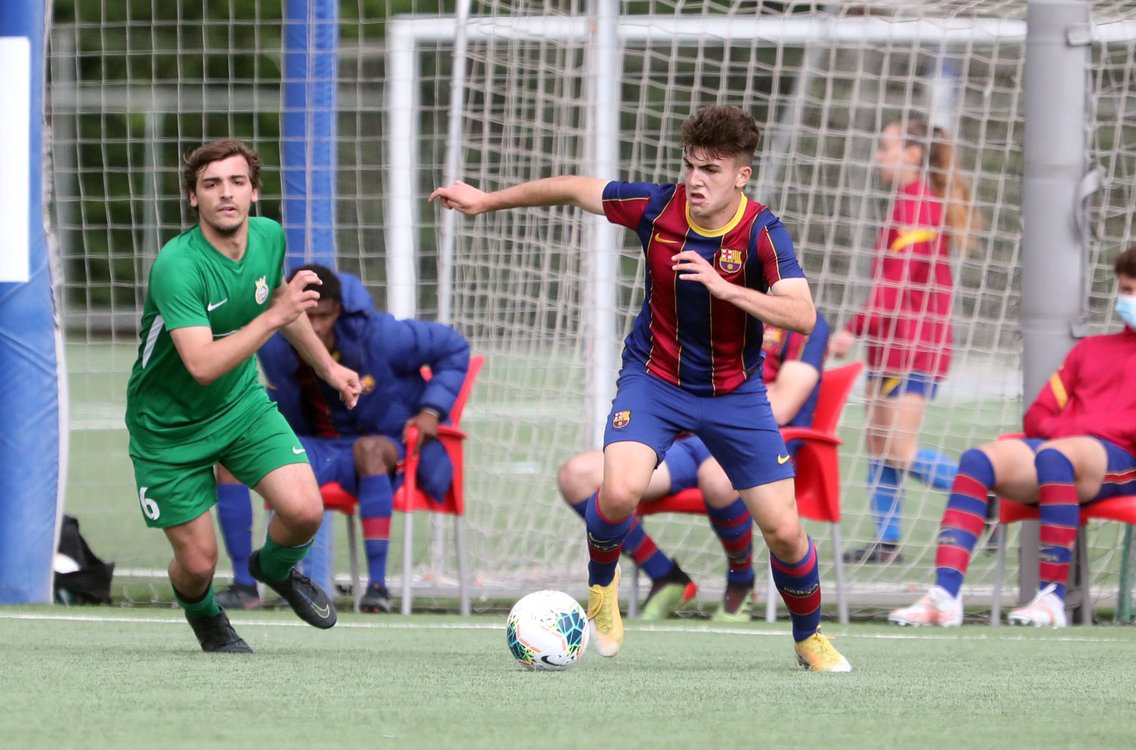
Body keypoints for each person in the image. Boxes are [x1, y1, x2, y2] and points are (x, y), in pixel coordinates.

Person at [431, 104, 851, 671]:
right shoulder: (657, 207)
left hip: (735, 394)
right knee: (619, 490)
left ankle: (808, 637)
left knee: (784, 531)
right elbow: (573, 187)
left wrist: (725, 288)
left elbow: (801, 314)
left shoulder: (763, 232)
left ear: (741, 176)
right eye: (690, 166)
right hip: (654, 381)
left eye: (712, 170)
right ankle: (602, 591)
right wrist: (487, 199)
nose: (696, 180)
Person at [125, 139, 361, 653]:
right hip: (168, 429)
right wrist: (273, 318)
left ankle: (271, 568)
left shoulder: (269, 236)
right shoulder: (178, 267)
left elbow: (281, 300)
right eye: (211, 185)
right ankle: (206, 616)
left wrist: (329, 368)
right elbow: (203, 365)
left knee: (304, 511)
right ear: (193, 198)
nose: (225, 194)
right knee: (198, 564)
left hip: (241, 406)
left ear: (254, 191)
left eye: (236, 182)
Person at [888, 245, 1136, 628]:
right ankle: (944, 596)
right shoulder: (1091, 349)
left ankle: (1051, 600)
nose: (1125, 300)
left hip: (1120, 462)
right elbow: (1037, 414)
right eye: (1123, 290)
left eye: (1133, 291)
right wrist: (1068, 436)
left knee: (1057, 456)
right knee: (977, 460)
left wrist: (1077, 440)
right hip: (1060, 455)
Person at [213, 265, 470, 615]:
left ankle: (377, 588)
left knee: (368, 449)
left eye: (324, 316)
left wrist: (432, 411)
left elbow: (455, 347)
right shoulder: (274, 344)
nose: (315, 327)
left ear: (339, 310)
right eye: (306, 316)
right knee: (231, 457)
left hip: (389, 446)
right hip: (317, 448)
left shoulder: (381, 335)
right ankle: (245, 585)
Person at [557, 315, 829, 623]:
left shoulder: (800, 321)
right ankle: (666, 576)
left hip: (760, 444)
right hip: (688, 442)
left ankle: (741, 581)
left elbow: (783, 404)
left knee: (717, 477)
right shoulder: (695, 309)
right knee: (577, 476)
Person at [830, 118, 979, 564]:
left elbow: (895, 285)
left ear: (912, 155)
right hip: (891, 344)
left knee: (897, 445)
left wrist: (852, 328)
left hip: (913, 347)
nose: (878, 156)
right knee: (879, 441)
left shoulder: (918, 205)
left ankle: (985, 495)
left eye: (886, 147)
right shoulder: (908, 202)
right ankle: (888, 539)